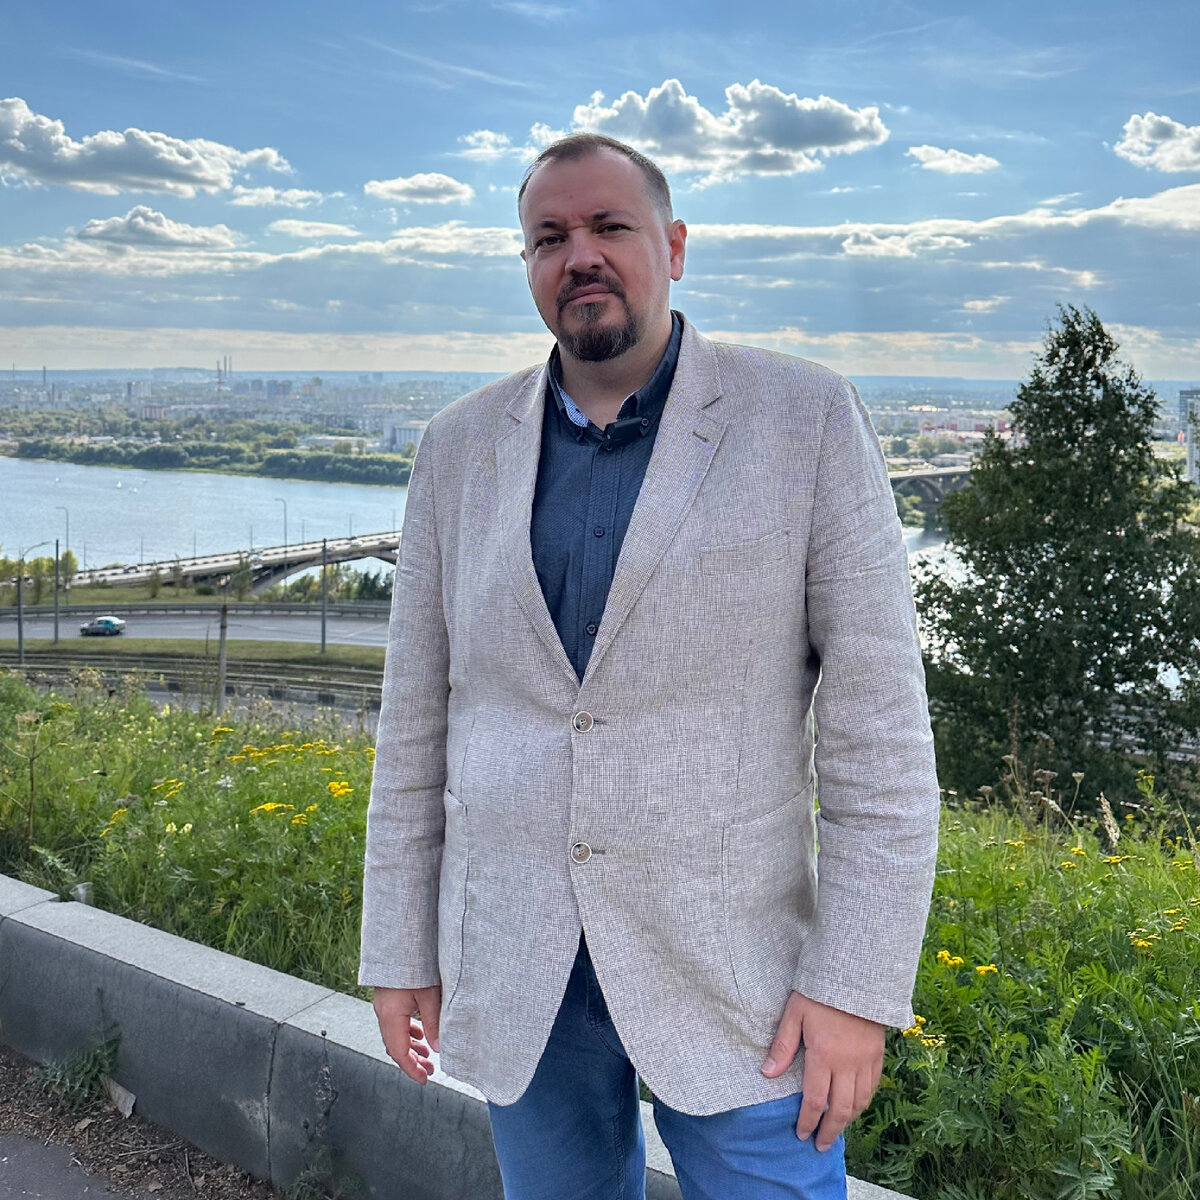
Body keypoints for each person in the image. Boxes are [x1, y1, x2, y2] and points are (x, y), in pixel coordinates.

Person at [360, 132, 940, 1200]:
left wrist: (857, 988)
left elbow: (882, 743)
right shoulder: (456, 449)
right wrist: (399, 955)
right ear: (528, 266)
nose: (579, 254)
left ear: (672, 247)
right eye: (549, 237)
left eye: (609, 226)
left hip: (741, 981)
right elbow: (415, 732)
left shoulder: (806, 419)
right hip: (518, 969)